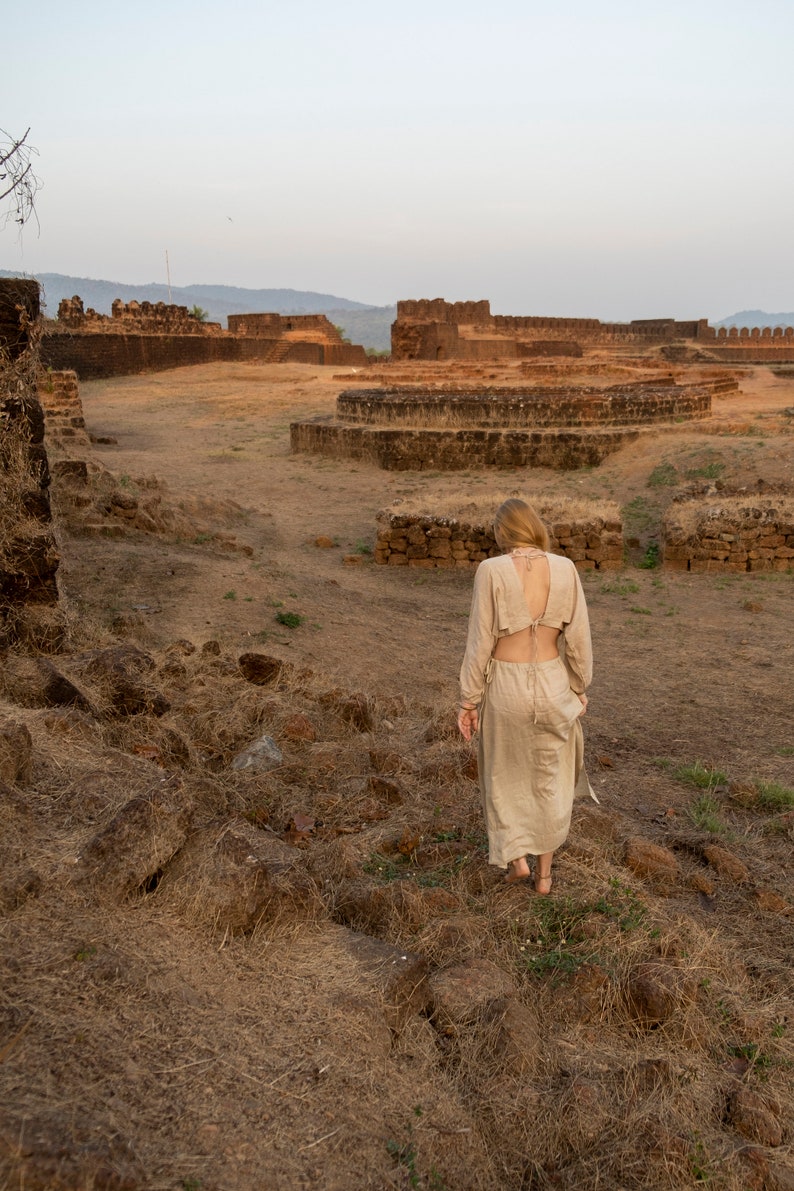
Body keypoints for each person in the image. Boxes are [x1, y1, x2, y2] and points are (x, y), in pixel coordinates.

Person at [457, 498, 594, 894]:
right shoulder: (566, 568)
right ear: (533, 527)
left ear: (502, 532)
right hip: (553, 683)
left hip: (507, 687)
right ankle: (545, 877)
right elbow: (579, 639)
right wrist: (579, 687)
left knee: (502, 774)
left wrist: (469, 701)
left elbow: (479, 641)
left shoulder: (491, 571)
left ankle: (516, 859)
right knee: (550, 777)